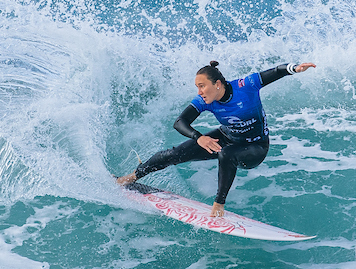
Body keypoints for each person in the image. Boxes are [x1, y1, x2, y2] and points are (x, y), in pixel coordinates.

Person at [118, 60, 316, 217]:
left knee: (226, 153)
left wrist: (294, 68)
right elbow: (180, 122)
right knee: (175, 153)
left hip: (255, 147)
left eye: (202, 86)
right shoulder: (205, 101)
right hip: (226, 136)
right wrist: (198, 137)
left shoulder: (245, 86)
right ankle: (129, 178)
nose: (199, 92)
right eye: (197, 87)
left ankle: (219, 204)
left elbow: (273, 73)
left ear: (217, 84)